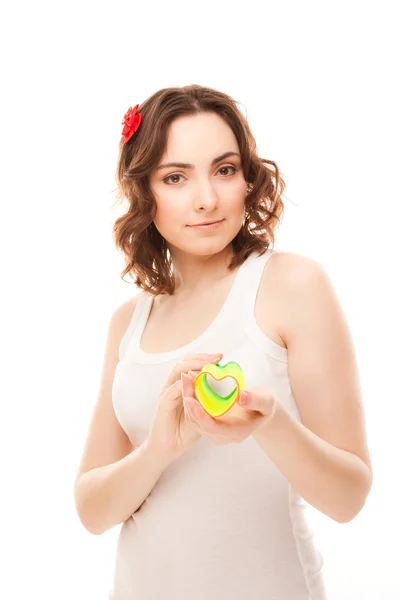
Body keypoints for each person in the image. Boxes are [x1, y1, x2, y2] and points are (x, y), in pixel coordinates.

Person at [73, 84, 373, 600]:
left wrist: (270, 423)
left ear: (247, 178)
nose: (206, 198)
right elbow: (92, 511)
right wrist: (160, 450)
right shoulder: (129, 322)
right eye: (176, 177)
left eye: (224, 169)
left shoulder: (292, 286)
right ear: (145, 192)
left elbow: (348, 498)